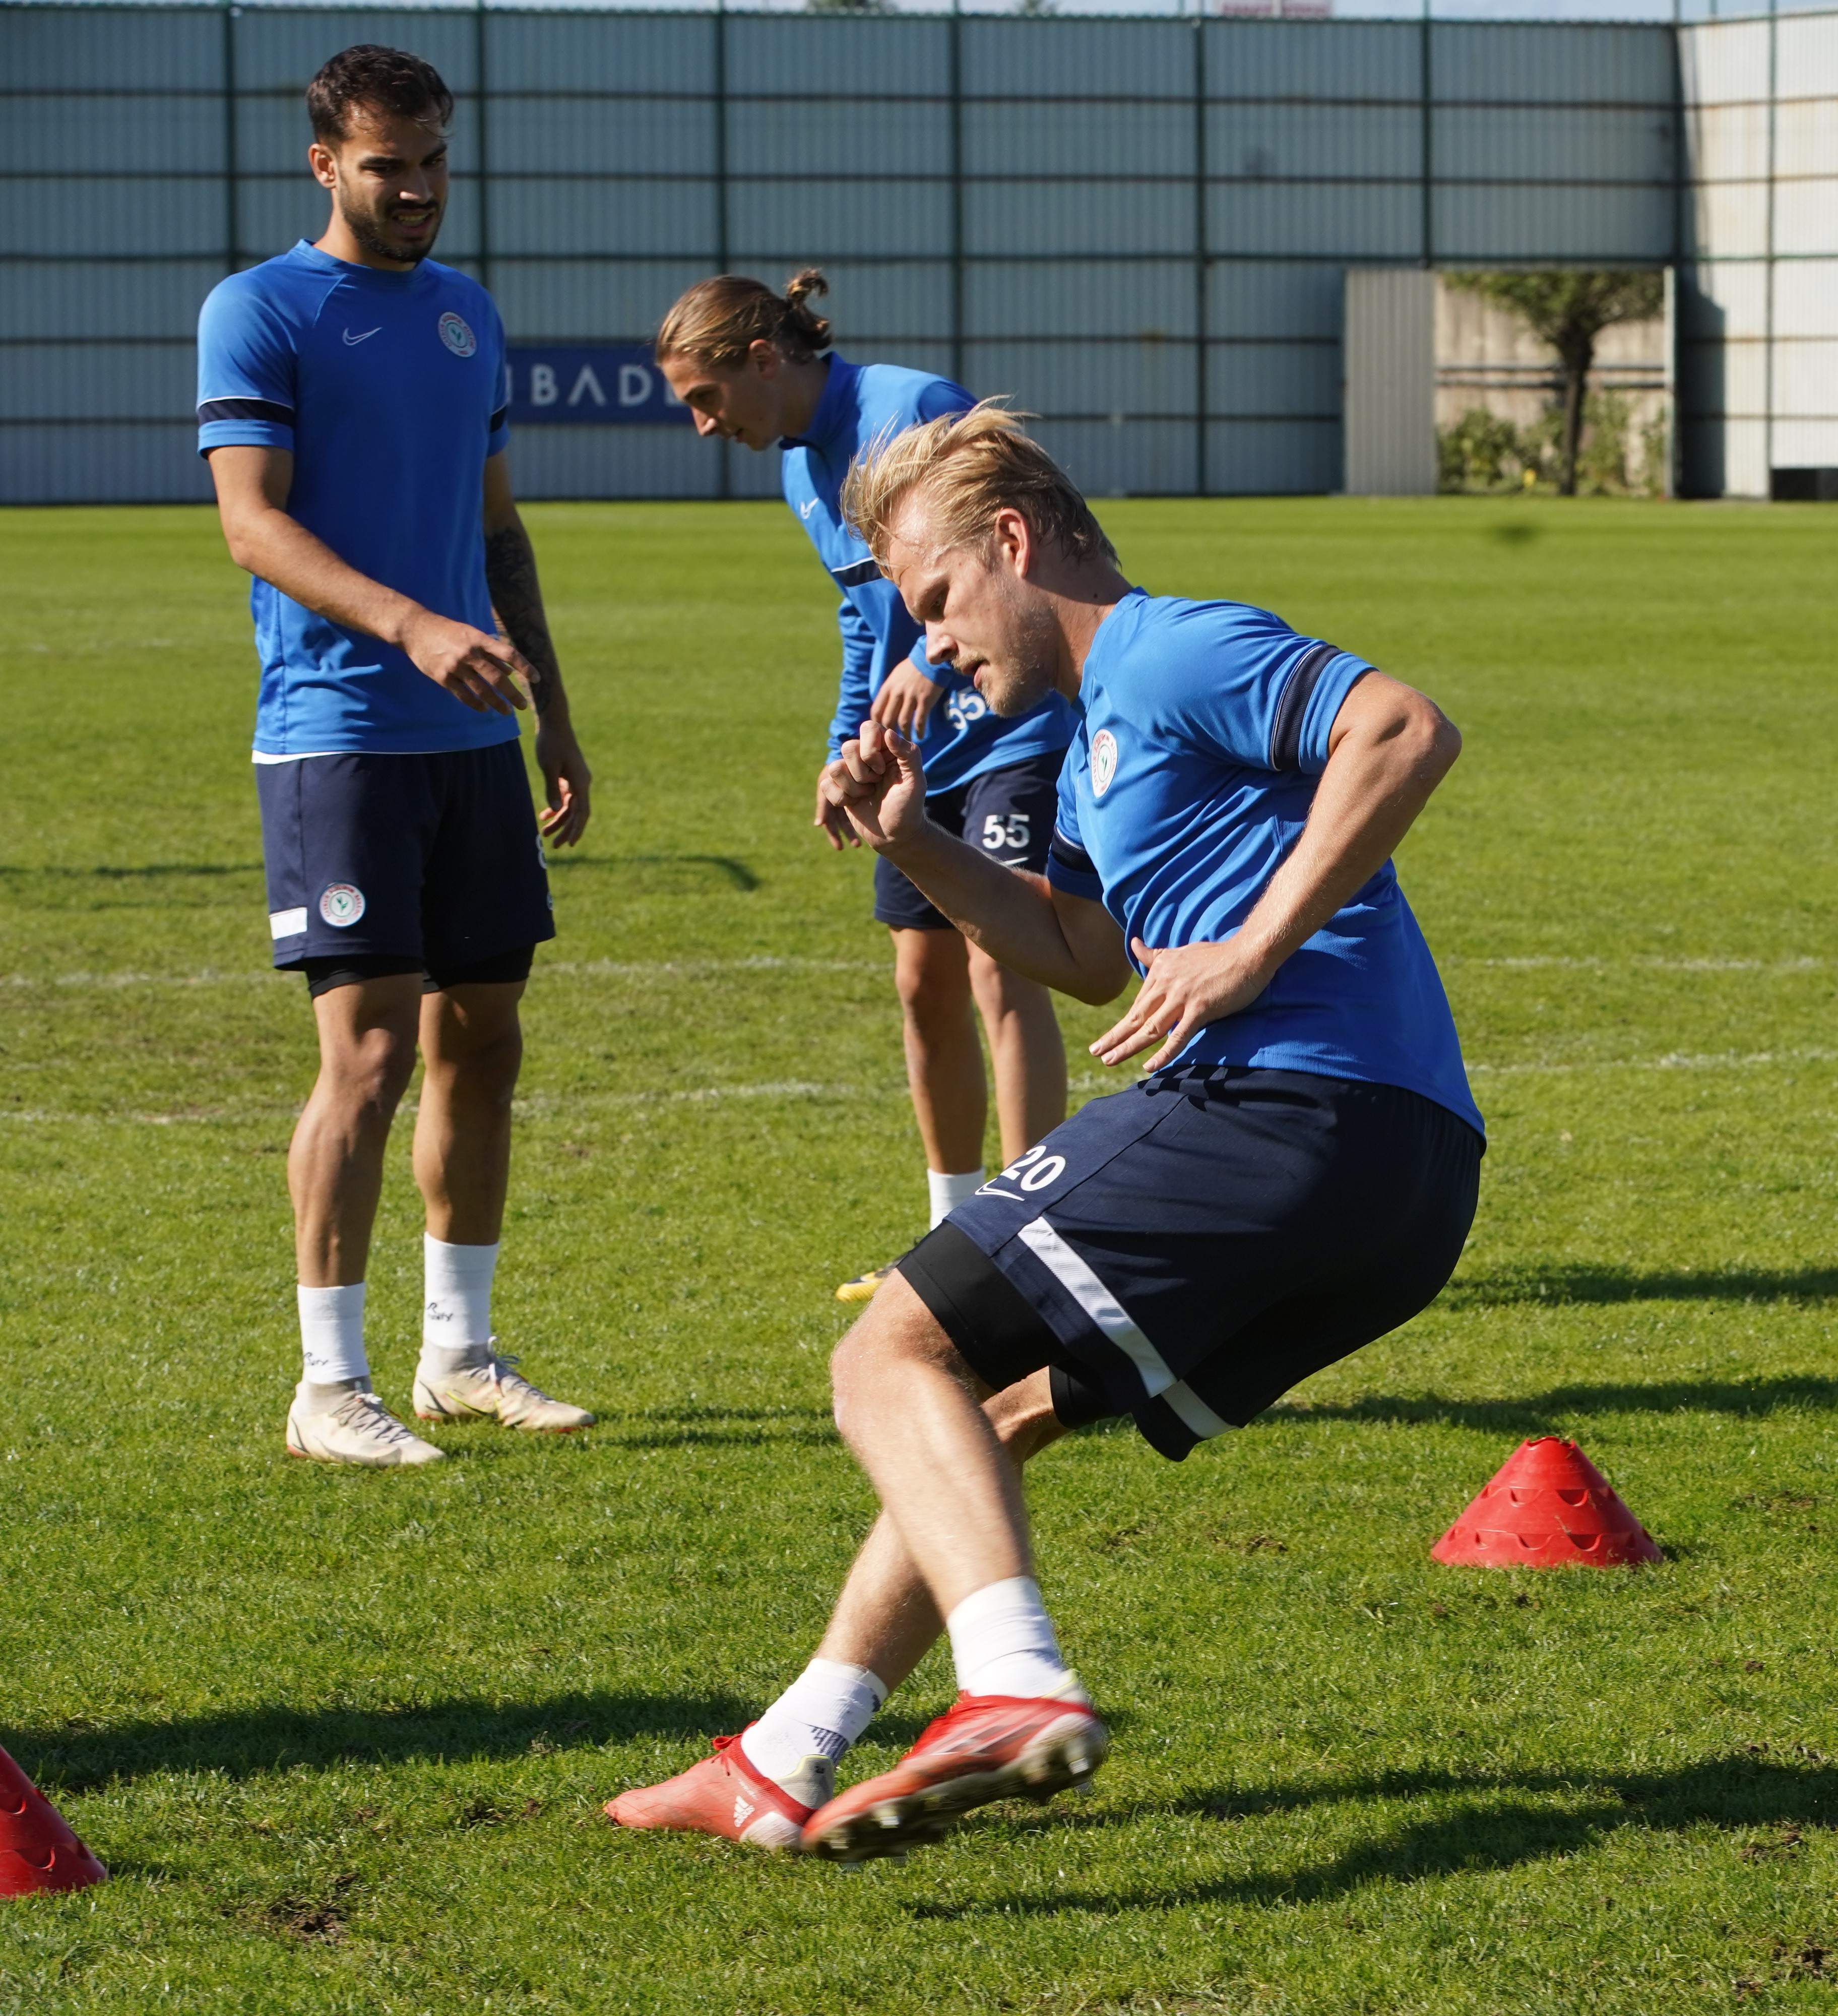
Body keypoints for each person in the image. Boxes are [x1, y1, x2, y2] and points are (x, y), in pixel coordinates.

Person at [604, 406, 1483, 1860]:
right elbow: (1080, 951)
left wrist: (1253, 949)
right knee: (987, 1417)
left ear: (1014, 542)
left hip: (1299, 1103)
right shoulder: (1082, 750)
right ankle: (785, 1752)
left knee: (887, 1352)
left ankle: (1010, 1684)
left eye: (939, 602)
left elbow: (1402, 727)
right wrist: (913, 839)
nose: (933, 649)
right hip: (1402, 1178)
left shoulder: (1173, 647)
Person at [198, 45, 597, 1467]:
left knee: (482, 1042)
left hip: (473, 734)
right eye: (388, 165)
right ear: (325, 163)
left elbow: (498, 530)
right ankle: (326, 1387)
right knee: (365, 1060)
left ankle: (461, 1356)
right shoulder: (258, 310)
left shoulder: (465, 316)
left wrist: (549, 705)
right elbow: (252, 522)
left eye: (432, 161)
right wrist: (413, 627)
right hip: (341, 734)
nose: (418, 189)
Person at [655, 276, 1079, 1298]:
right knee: (919, 981)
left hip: (1012, 723)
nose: (707, 427)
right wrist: (845, 741)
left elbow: (1007, 555)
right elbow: (862, 622)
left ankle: (1040, 1243)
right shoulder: (801, 469)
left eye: (706, 398)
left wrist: (934, 660)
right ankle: (957, 1237)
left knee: (1000, 966)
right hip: (914, 753)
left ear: (763, 356)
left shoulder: (913, 408)